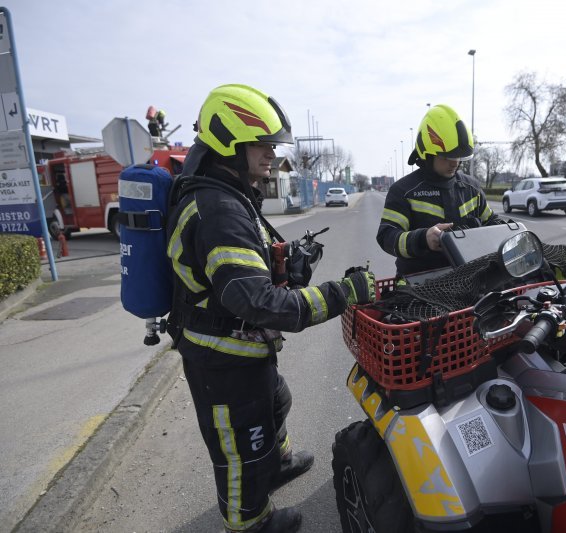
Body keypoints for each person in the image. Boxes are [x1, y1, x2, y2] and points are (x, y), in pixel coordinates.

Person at [165, 84, 374, 533]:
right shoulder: (218, 208)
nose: (272, 155)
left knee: (275, 401)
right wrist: (344, 292)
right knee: (242, 446)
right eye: (262, 145)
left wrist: (287, 263)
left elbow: (246, 273)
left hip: (238, 344)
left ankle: (275, 466)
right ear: (228, 144)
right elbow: (259, 303)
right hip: (220, 354)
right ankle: (250, 523)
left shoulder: (228, 192)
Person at [376, 104, 503, 276]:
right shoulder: (404, 191)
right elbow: (386, 236)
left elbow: (491, 222)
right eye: (446, 156)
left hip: (471, 279)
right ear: (427, 155)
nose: (454, 162)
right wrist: (422, 239)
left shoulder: (471, 188)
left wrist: (507, 230)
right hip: (420, 285)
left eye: (458, 155)